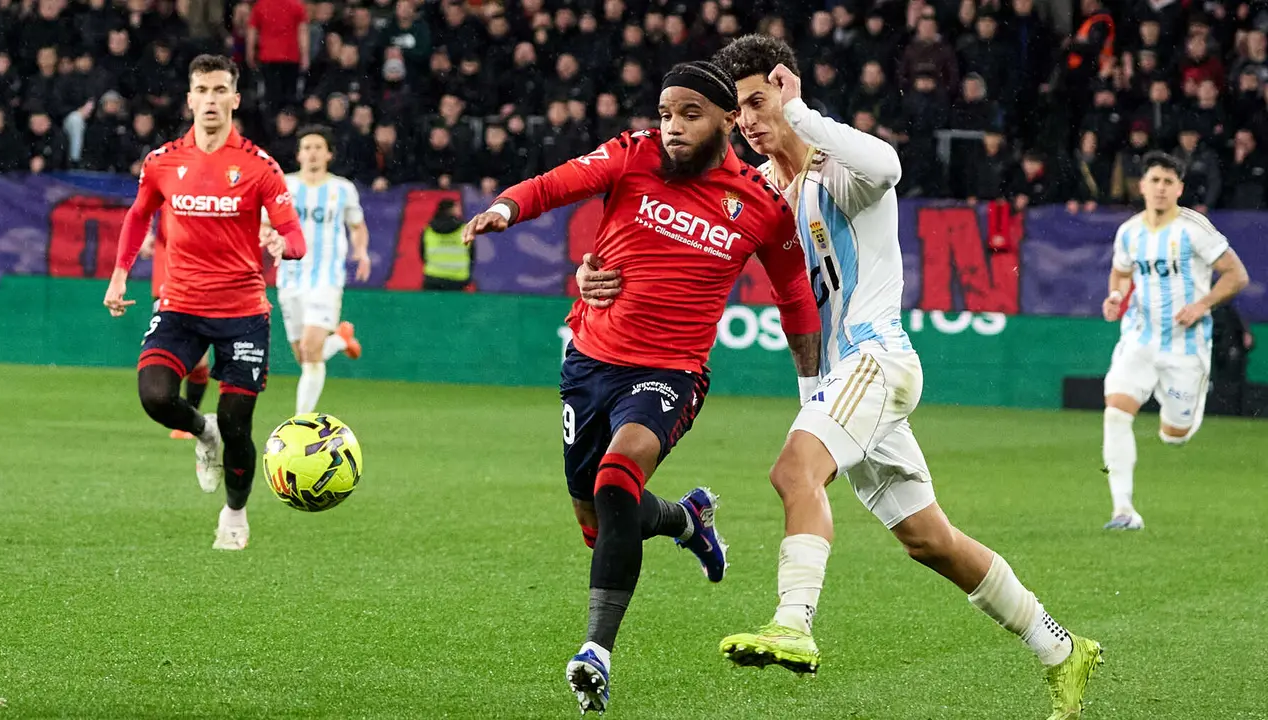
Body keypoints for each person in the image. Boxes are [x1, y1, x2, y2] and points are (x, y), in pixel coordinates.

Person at [577, 36, 1104, 720]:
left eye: (758, 102)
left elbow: (888, 164)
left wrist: (800, 115)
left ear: (786, 86)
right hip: (846, 377)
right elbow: (677, 230)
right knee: (929, 540)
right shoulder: (769, 188)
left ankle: (793, 624)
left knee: (793, 472)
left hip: (878, 359)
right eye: (739, 112)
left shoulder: (842, 168)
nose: (750, 122)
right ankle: (1062, 648)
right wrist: (593, 277)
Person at [461, 61, 822, 715]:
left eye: (689, 114)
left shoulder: (761, 207)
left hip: (671, 373)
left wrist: (812, 386)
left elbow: (794, 294)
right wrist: (504, 208)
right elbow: (557, 183)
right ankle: (687, 519)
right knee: (598, 519)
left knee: (616, 475)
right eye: (665, 113)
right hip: (590, 359)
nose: (672, 128)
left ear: (728, 120)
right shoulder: (632, 156)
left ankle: (595, 653)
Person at [102, 54, 307, 551]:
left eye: (220, 90)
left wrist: (285, 246)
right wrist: (119, 275)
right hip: (180, 305)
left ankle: (234, 516)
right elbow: (138, 216)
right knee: (154, 395)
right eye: (202, 90)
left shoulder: (260, 167)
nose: (211, 100)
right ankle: (201, 430)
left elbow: (294, 235)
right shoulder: (162, 162)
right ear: (189, 98)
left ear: (235, 100)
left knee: (239, 424)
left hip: (242, 312)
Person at [1100, 152, 1250, 530]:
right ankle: (1123, 510)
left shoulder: (1194, 229)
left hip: (1186, 347)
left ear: (1180, 188)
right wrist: (1117, 297)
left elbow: (1236, 274)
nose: (1161, 188)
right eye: (1155, 180)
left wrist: (1202, 304)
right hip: (1139, 338)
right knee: (1116, 412)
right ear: (1142, 186)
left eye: (1169, 182)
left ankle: (1180, 411)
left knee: (1175, 434)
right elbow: (1120, 274)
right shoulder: (1129, 232)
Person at [262, 125, 368, 416]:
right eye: (307, 147)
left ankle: (300, 422)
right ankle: (340, 339)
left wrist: (360, 252)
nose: (312, 153)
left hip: (326, 278)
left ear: (329, 154)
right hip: (291, 278)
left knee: (310, 350)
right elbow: (264, 224)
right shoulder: (283, 185)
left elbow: (357, 226)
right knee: (304, 356)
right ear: (298, 154)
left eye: (318, 147)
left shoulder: (342, 189)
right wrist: (267, 237)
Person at [140, 219, 211, 439]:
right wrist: (146, 234)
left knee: (199, 362)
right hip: (167, 283)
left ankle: (190, 416)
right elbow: (143, 209)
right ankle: (186, 420)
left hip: (201, 281)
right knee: (166, 356)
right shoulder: (163, 188)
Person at [421, 198, 472, 291]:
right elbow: (471, 254)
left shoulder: (428, 229)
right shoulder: (465, 229)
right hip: (457, 279)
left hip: (433, 277)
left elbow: (422, 252)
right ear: (452, 209)